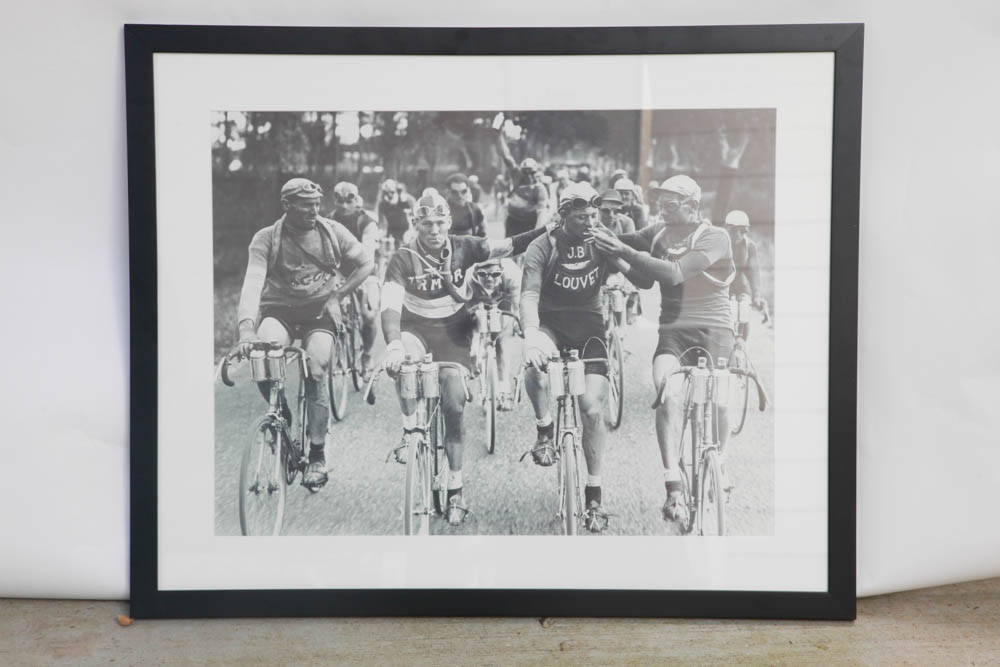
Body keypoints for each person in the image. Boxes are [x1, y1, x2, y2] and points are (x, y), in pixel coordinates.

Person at [380, 192, 551, 525]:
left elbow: (511, 245)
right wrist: (394, 346)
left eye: (439, 222)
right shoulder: (401, 258)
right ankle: (409, 430)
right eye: (426, 223)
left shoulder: (465, 246)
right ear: (416, 224)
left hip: (454, 332)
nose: (433, 229)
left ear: (448, 222)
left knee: (454, 404)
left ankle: (456, 488)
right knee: (405, 369)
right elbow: (389, 305)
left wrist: (549, 229)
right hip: (414, 328)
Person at [590, 174, 736, 524]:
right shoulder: (657, 233)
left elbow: (672, 274)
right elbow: (631, 258)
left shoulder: (715, 237)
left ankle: (722, 461)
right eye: (660, 203)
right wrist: (591, 232)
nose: (662, 209)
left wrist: (622, 251)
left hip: (714, 328)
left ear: (692, 205)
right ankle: (673, 483)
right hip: (673, 330)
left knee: (720, 399)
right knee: (667, 391)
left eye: (670, 204)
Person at [520, 182, 648, 533]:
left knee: (591, 408)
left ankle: (594, 493)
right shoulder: (542, 246)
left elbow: (641, 278)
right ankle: (545, 428)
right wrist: (531, 333)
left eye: (593, 215)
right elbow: (529, 294)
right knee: (534, 363)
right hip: (550, 324)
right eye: (581, 217)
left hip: (590, 326)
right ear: (563, 216)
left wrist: (621, 251)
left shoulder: (601, 239)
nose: (590, 222)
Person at [236, 178, 375, 490]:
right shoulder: (266, 239)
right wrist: (246, 328)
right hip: (279, 308)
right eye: (306, 205)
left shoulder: (332, 231)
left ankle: (316, 455)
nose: (314, 210)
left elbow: (367, 262)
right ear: (287, 205)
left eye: (316, 204)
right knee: (263, 359)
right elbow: (252, 283)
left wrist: (338, 296)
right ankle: (281, 414)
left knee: (316, 366)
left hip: (319, 310)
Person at [329, 181, 381, 374]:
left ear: (356, 200)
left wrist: (359, 278)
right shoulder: (327, 221)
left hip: (366, 273)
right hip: (339, 272)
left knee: (368, 315)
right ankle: (341, 353)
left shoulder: (366, 222)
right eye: (340, 201)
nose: (344, 206)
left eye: (348, 201)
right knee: (332, 311)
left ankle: (367, 353)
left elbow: (367, 254)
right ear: (334, 200)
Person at [466, 256, 522, 411]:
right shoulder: (468, 278)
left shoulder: (512, 274)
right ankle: (481, 382)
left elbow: (518, 304)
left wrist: (518, 323)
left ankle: (505, 389)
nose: (489, 278)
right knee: (473, 333)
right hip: (476, 300)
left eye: (495, 274)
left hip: (503, 299)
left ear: (502, 272)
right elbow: (461, 309)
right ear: (476, 273)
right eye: (483, 275)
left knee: (503, 339)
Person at [495, 115, 549, 237]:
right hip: (513, 219)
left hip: (529, 221)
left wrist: (536, 233)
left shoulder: (539, 189)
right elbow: (506, 156)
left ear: (536, 172)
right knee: (511, 248)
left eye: (532, 172)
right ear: (521, 171)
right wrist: (499, 136)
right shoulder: (517, 176)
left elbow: (541, 213)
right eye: (526, 172)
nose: (529, 175)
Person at [725, 210, 768, 340]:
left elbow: (754, 272)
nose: (738, 234)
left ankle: (742, 347)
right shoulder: (720, 243)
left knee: (744, 315)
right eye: (734, 230)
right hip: (722, 286)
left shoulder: (749, 246)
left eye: (743, 231)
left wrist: (757, 295)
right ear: (727, 229)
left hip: (740, 285)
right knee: (724, 320)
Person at [444, 173, 487, 237]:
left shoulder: (474, 209)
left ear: (468, 190)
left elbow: (482, 232)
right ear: (448, 192)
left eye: (464, 191)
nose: (460, 196)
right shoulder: (442, 210)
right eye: (455, 192)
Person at [375, 178, 413, 248]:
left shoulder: (403, 200)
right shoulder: (383, 203)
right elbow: (381, 219)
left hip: (404, 228)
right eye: (387, 192)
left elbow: (411, 211)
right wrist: (381, 231)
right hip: (391, 228)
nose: (389, 195)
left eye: (392, 192)